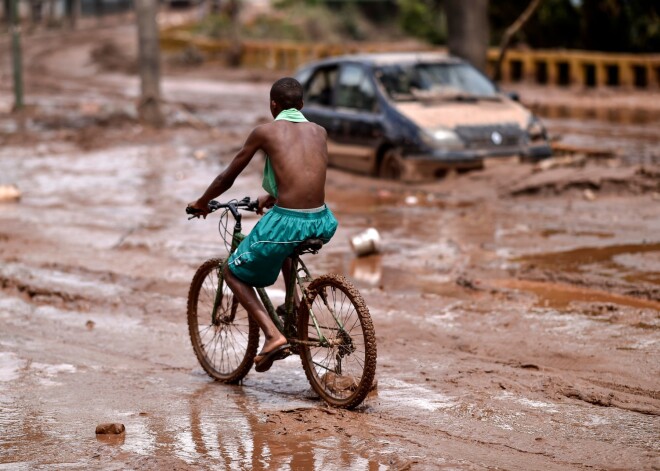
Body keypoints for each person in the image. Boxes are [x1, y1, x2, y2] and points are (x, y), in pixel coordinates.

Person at [188, 77, 338, 373]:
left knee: (232, 270)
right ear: (302, 105)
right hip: (322, 218)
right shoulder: (319, 131)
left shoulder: (264, 132)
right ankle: (294, 310)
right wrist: (271, 195)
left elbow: (226, 177)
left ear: (273, 105)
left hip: (289, 219)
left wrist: (203, 201)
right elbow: (305, 171)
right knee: (283, 246)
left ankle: (272, 336)